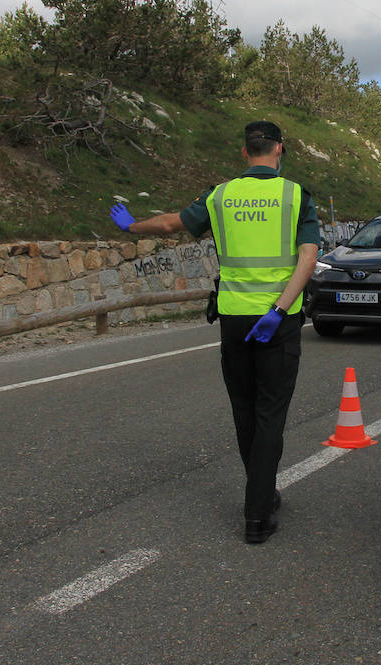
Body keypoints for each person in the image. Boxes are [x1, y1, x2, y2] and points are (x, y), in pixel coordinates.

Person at [110, 121, 320, 544]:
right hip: (276, 323)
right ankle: (257, 512)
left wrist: (132, 226)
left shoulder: (221, 195)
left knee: (245, 412)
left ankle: (261, 494)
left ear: (245, 152)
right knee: (269, 415)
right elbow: (308, 258)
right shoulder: (296, 195)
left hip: (234, 320)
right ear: (280, 149)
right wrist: (279, 310)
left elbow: (171, 224)